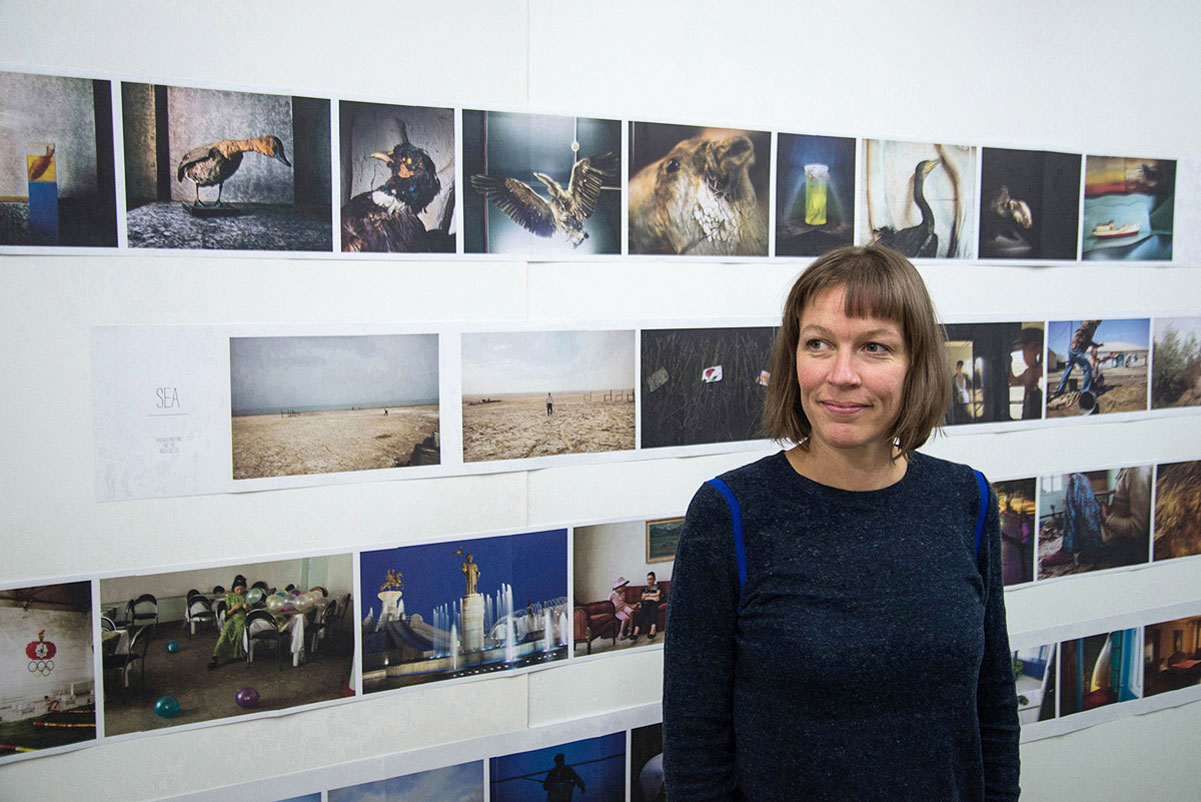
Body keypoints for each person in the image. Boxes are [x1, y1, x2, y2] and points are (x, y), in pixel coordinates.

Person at [663, 245, 1019, 801]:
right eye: (819, 344)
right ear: (793, 358)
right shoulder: (729, 512)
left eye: (875, 347)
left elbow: (993, 709)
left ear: (915, 364)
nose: (842, 374)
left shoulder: (964, 498)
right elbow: (695, 748)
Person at [1051, 320, 1102, 399]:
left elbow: (1088, 340)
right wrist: (1074, 341)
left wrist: (1096, 345)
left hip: (1074, 349)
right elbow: (1080, 330)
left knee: (1069, 368)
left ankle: (1060, 390)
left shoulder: (1094, 326)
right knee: (1087, 367)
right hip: (1076, 349)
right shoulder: (1090, 322)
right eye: (1100, 320)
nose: (1100, 322)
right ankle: (1084, 392)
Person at [209, 575, 250, 669]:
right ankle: (216, 656)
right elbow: (226, 613)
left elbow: (251, 611)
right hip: (232, 618)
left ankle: (237, 655)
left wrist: (247, 608)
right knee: (225, 633)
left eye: (241, 589)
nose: (239, 591)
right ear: (234, 588)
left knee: (239, 632)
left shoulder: (247, 596)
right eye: (237, 589)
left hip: (243, 618)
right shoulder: (230, 596)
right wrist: (234, 609)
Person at [1008, 326, 1043, 420]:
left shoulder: (1038, 370)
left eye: (1025, 349)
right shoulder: (1029, 371)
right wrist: (1009, 364)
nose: (1024, 355)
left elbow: (1014, 381)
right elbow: (1013, 381)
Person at [630, 571, 662, 644]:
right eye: (648, 579)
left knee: (653, 609)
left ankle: (653, 630)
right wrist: (652, 597)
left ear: (654, 579)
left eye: (651, 579)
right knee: (642, 611)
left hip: (654, 603)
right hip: (647, 603)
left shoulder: (658, 586)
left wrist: (648, 596)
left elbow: (658, 595)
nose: (649, 581)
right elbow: (643, 598)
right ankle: (636, 632)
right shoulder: (645, 588)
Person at [951, 359, 971, 423]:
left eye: (961, 367)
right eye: (959, 367)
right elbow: (952, 390)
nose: (960, 369)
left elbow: (970, 387)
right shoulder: (954, 378)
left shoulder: (966, 377)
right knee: (958, 414)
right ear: (957, 368)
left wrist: (970, 396)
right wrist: (956, 397)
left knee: (966, 413)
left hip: (966, 397)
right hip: (957, 399)